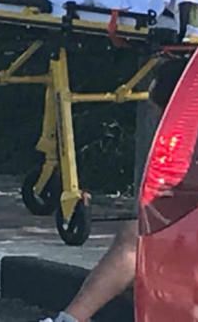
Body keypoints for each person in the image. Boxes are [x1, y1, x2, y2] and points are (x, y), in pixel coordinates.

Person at [39, 57, 188, 322]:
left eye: (160, 110)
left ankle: (69, 320)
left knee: (135, 238)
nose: (157, 118)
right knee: (135, 242)